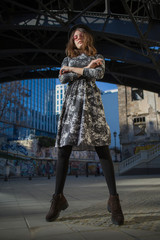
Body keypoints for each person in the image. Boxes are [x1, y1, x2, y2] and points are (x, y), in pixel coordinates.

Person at [46, 24, 124, 225]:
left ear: (87, 37)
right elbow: (63, 78)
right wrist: (83, 69)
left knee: (102, 148)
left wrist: (74, 69)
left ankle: (114, 200)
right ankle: (57, 198)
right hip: (72, 105)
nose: (77, 37)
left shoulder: (98, 56)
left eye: (80, 35)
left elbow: (97, 75)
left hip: (92, 105)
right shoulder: (67, 59)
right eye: (74, 36)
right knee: (64, 150)